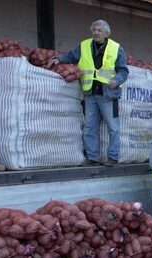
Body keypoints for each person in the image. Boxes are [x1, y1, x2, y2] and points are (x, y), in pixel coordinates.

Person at [48, 19, 129, 166]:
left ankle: (113, 157)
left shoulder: (116, 48)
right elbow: (72, 56)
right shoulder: (85, 45)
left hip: (108, 94)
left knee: (113, 127)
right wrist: (58, 59)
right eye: (94, 30)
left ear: (106, 33)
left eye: (99, 30)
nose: (96, 32)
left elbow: (123, 70)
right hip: (90, 94)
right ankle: (92, 157)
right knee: (89, 127)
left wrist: (117, 80)